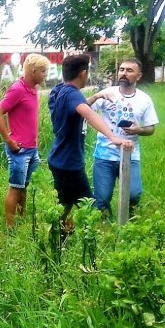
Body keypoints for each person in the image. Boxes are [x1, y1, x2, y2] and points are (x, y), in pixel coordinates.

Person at [47, 54, 133, 230]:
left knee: (65, 204)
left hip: (57, 159)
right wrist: (113, 137)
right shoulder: (73, 94)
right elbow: (89, 113)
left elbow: (78, 106)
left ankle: (58, 238)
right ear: (83, 73)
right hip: (70, 163)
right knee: (89, 207)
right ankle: (92, 243)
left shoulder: (59, 91)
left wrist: (96, 96)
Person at [86, 58, 159, 217]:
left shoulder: (144, 99)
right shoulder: (107, 93)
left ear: (138, 76)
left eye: (129, 70)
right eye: (121, 69)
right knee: (102, 198)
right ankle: (105, 227)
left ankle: (129, 220)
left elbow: (151, 128)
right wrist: (97, 96)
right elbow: (82, 108)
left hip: (130, 154)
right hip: (104, 154)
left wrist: (137, 130)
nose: (124, 73)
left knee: (134, 194)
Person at [0, 53, 50, 228]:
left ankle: (23, 218)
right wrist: (9, 141)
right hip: (20, 150)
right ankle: (10, 226)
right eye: (43, 71)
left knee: (24, 187)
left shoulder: (33, 89)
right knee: (15, 188)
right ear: (33, 71)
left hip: (32, 149)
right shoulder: (17, 89)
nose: (46, 74)